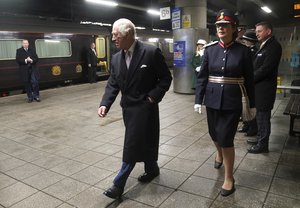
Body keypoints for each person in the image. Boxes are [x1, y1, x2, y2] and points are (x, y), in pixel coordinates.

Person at [98, 18, 172, 199]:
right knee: (144, 139)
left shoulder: (150, 52)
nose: (113, 38)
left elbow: (165, 78)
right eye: (113, 35)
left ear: (129, 34)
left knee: (132, 144)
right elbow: (113, 84)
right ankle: (152, 169)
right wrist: (105, 103)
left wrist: (152, 97)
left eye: (116, 35)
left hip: (145, 107)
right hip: (128, 109)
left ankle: (118, 184)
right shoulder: (116, 58)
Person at [194, 9, 255, 197]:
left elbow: (250, 79)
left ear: (233, 28)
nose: (221, 28)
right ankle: (218, 153)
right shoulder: (210, 50)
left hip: (232, 100)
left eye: (225, 25)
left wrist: (252, 104)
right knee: (214, 134)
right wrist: (198, 100)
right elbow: (203, 77)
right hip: (211, 99)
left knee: (226, 138)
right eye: (218, 25)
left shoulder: (243, 51)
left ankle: (229, 178)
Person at [247, 22, 282, 154]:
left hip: (265, 89)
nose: (257, 34)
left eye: (260, 31)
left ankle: (263, 145)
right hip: (258, 88)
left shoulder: (274, 46)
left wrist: (250, 78)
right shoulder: (263, 45)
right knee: (259, 116)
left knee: (263, 117)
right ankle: (259, 138)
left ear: (268, 31)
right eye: (256, 31)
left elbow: (265, 69)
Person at [238, 30, 258, 136]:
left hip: (250, 81)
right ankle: (246, 125)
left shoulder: (252, 51)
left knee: (250, 105)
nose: (244, 42)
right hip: (244, 81)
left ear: (250, 41)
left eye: (245, 40)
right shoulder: (247, 51)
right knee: (244, 104)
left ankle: (252, 128)